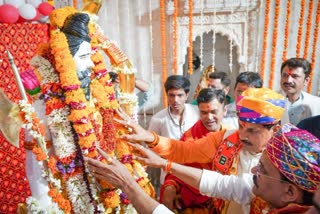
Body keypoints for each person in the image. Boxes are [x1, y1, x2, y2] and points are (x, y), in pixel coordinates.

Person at [116, 87, 286, 213]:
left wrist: (165, 164)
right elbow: (183, 150)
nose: (243, 135)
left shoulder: (284, 161)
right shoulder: (225, 139)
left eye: (252, 130)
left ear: (275, 130)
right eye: (241, 126)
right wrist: (150, 137)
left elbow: (231, 187)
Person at [86, 124, 320, 214]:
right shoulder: (289, 198)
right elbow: (220, 184)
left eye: (262, 169)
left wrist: (127, 184)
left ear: (290, 192)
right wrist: (164, 164)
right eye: (242, 125)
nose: (252, 171)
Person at [160, 88, 230, 212]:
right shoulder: (189, 137)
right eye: (203, 112)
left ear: (224, 110)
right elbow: (175, 171)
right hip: (191, 200)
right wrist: (170, 188)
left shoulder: (231, 137)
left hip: (225, 197)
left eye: (214, 112)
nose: (209, 117)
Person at [148, 75, 199, 187]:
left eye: (180, 95)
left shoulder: (197, 113)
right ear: (167, 95)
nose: (175, 100)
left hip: (195, 174)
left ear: (187, 95)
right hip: (170, 174)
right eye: (171, 95)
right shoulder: (158, 119)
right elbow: (150, 149)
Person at [280, 58, 320, 125]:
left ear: (306, 81)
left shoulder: (316, 104)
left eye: (295, 76)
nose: (288, 80)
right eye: (285, 75)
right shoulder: (270, 101)